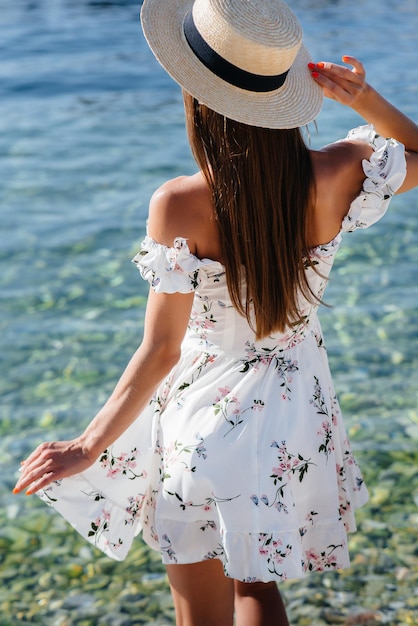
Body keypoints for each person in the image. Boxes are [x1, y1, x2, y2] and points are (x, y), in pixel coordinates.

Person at [13, 0, 418, 624]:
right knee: (257, 588)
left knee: (200, 609)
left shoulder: (179, 203)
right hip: (294, 412)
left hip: (204, 413)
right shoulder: (345, 170)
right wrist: (364, 99)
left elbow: (161, 350)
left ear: (198, 97)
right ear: (283, 92)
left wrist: (89, 446)